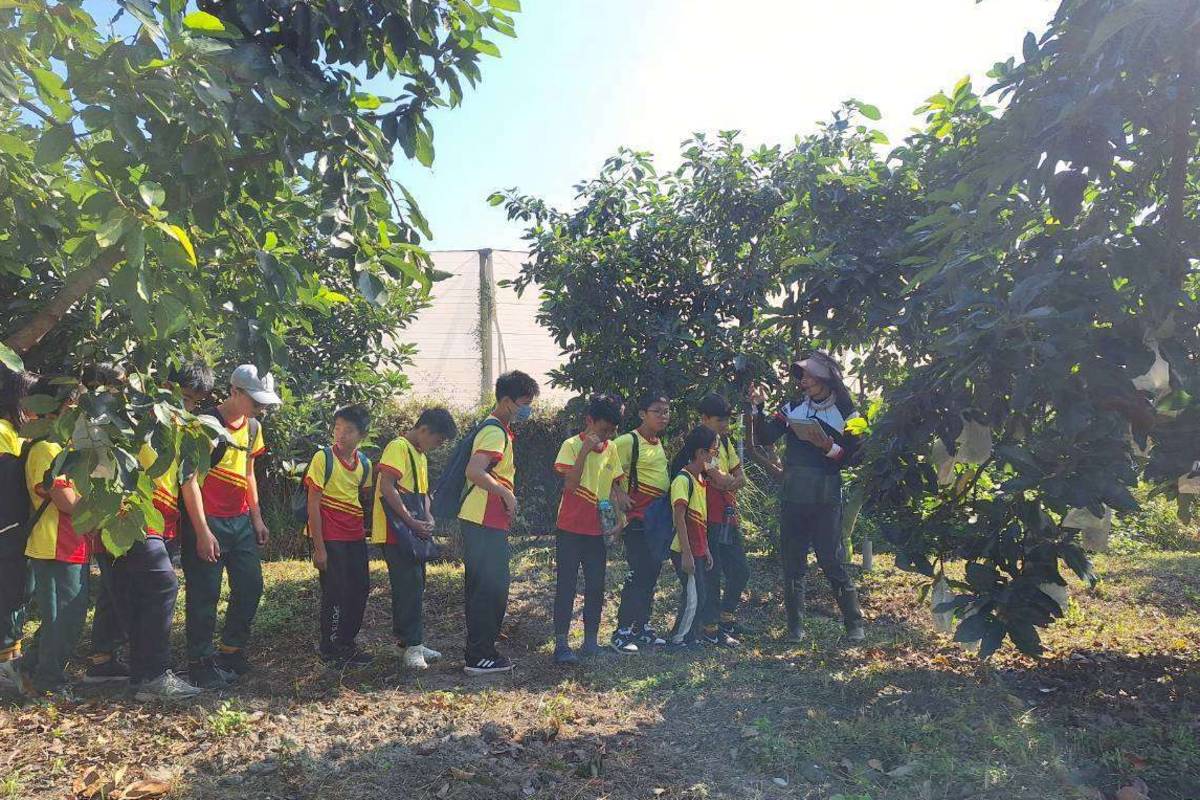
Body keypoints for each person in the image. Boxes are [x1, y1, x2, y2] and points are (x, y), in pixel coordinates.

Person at [95, 362, 214, 700]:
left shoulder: (182, 432)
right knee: (162, 586)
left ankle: (143, 677)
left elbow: (188, 482)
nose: (188, 408)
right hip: (129, 518)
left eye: (194, 403)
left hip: (162, 524)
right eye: (186, 398)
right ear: (165, 386)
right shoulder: (131, 419)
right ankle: (153, 676)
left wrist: (203, 530)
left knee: (140, 595)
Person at [748, 352, 865, 641]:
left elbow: (857, 456)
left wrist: (829, 448)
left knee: (831, 560)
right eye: (802, 376)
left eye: (810, 376)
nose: (804, 381)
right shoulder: (793, 407)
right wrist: (757, 408)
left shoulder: (849, 413)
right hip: (794, 494)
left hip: (826, 496)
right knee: (793, 564)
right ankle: (795, 629)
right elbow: (766, 437)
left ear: (826, 378)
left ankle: (854, 624)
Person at [183, 364, 280, 688]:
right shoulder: (205, 425)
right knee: (205, 594)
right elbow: (190, 479)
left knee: (251, 586)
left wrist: (257, 517)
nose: (261, 408)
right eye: (256, 401)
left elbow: (248, 473)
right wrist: (201, 531)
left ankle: (231, 651)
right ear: (235, 392)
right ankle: (199, 662)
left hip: (240, 522)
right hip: (208, 520)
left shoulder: (253, 427)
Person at [458, 370, 540, 676]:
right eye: (524, 403)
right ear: (507, 401)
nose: (527, 410)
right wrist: (505, 493)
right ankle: (479, 656)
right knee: (489, 589)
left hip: (485, 520)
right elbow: (474, 471)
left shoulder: (498, 430)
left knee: (488, 587)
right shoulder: (494, 432)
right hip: (483, 519)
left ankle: (482, 651)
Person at [13, 377, 90, 698]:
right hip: (54, 545)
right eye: (73, 408)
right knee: (62, 619)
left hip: (73, 544)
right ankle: (48, 683)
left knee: (69, 616)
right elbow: (66, 502)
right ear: (52, 409)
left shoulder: (67, 450)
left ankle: (27, 667)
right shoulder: (46, 450)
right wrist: (105, 503)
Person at [372, 407, 457, 670]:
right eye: (438, 440)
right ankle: (412, 645)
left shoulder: (419, 455)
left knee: (415, 586)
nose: (437, 446)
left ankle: (408, 642)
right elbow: (387, 486)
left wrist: (428, 517)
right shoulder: (398, 447)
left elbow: (423, 493)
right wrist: (411, 521)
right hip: (395, 532)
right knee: (409, 587)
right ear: (424, 430)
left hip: (412, 531)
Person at [551, 394, 626, 665]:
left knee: (596, 585)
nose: (606, 436)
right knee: (567, 584)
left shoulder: (611, 448)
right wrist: (584, 451)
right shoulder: (571, 445)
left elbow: (615, 486)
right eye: (603, 429)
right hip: (570, 527)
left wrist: (619, 519)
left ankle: (590, 642)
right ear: (589, 421)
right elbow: (570, 485)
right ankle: (561, 644)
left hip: (598, 530)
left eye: (612, 431)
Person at [305, 404, 373, 668]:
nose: (341, 435)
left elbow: (363, 498)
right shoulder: (323, 458)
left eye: (348, 430)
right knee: (335, 591)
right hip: (330, 536)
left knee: (360, 588)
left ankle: (348, 642)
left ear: (362, 435)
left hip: (354, 535)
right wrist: (319, 548)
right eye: (337, 428)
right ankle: (330, 646)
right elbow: (313, 504)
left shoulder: (364, 464)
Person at [610, 392, 672, 653]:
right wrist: (618, 493)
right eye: (657, 411)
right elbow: (606, 467)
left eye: (666, 411)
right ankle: (621, 631)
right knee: (638, 574)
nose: (663, 416)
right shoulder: (628, 441)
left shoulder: (658, 442)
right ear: (642, 414)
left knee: (652, 572)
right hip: (637, 519)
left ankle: (641, 627)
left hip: (657, 519)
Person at [696, 394, 749, 647]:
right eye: (720, 420)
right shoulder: (701, 444)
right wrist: (727, 481)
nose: (725, 425)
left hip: (728, 514)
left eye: (727, 420)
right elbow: (720, 478)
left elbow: (740, 478)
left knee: (740, 570)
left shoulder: (726, 441)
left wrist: (727, 481)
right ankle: (710, 628)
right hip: (707, 516)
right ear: (704, 418)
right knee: (712, 573)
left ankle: (726, 618)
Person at [0, 368, 37, 684]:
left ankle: (12, 656)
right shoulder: (3, 431)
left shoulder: (22, 432)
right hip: (7, 527)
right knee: (8, 590)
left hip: (20, 527)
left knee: (20, 591)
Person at [666, 426, 717, 648]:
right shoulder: (683, 479)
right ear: (701, 453)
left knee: (699, 595)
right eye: (713, 451)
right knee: (694, 597)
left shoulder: (701, 481)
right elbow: (679, 517)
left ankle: (690, 636)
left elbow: (700, 520)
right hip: (683, 549)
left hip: (697, 548)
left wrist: (706, 549)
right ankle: (679, 639)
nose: (715, 456)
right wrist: (687, 554)